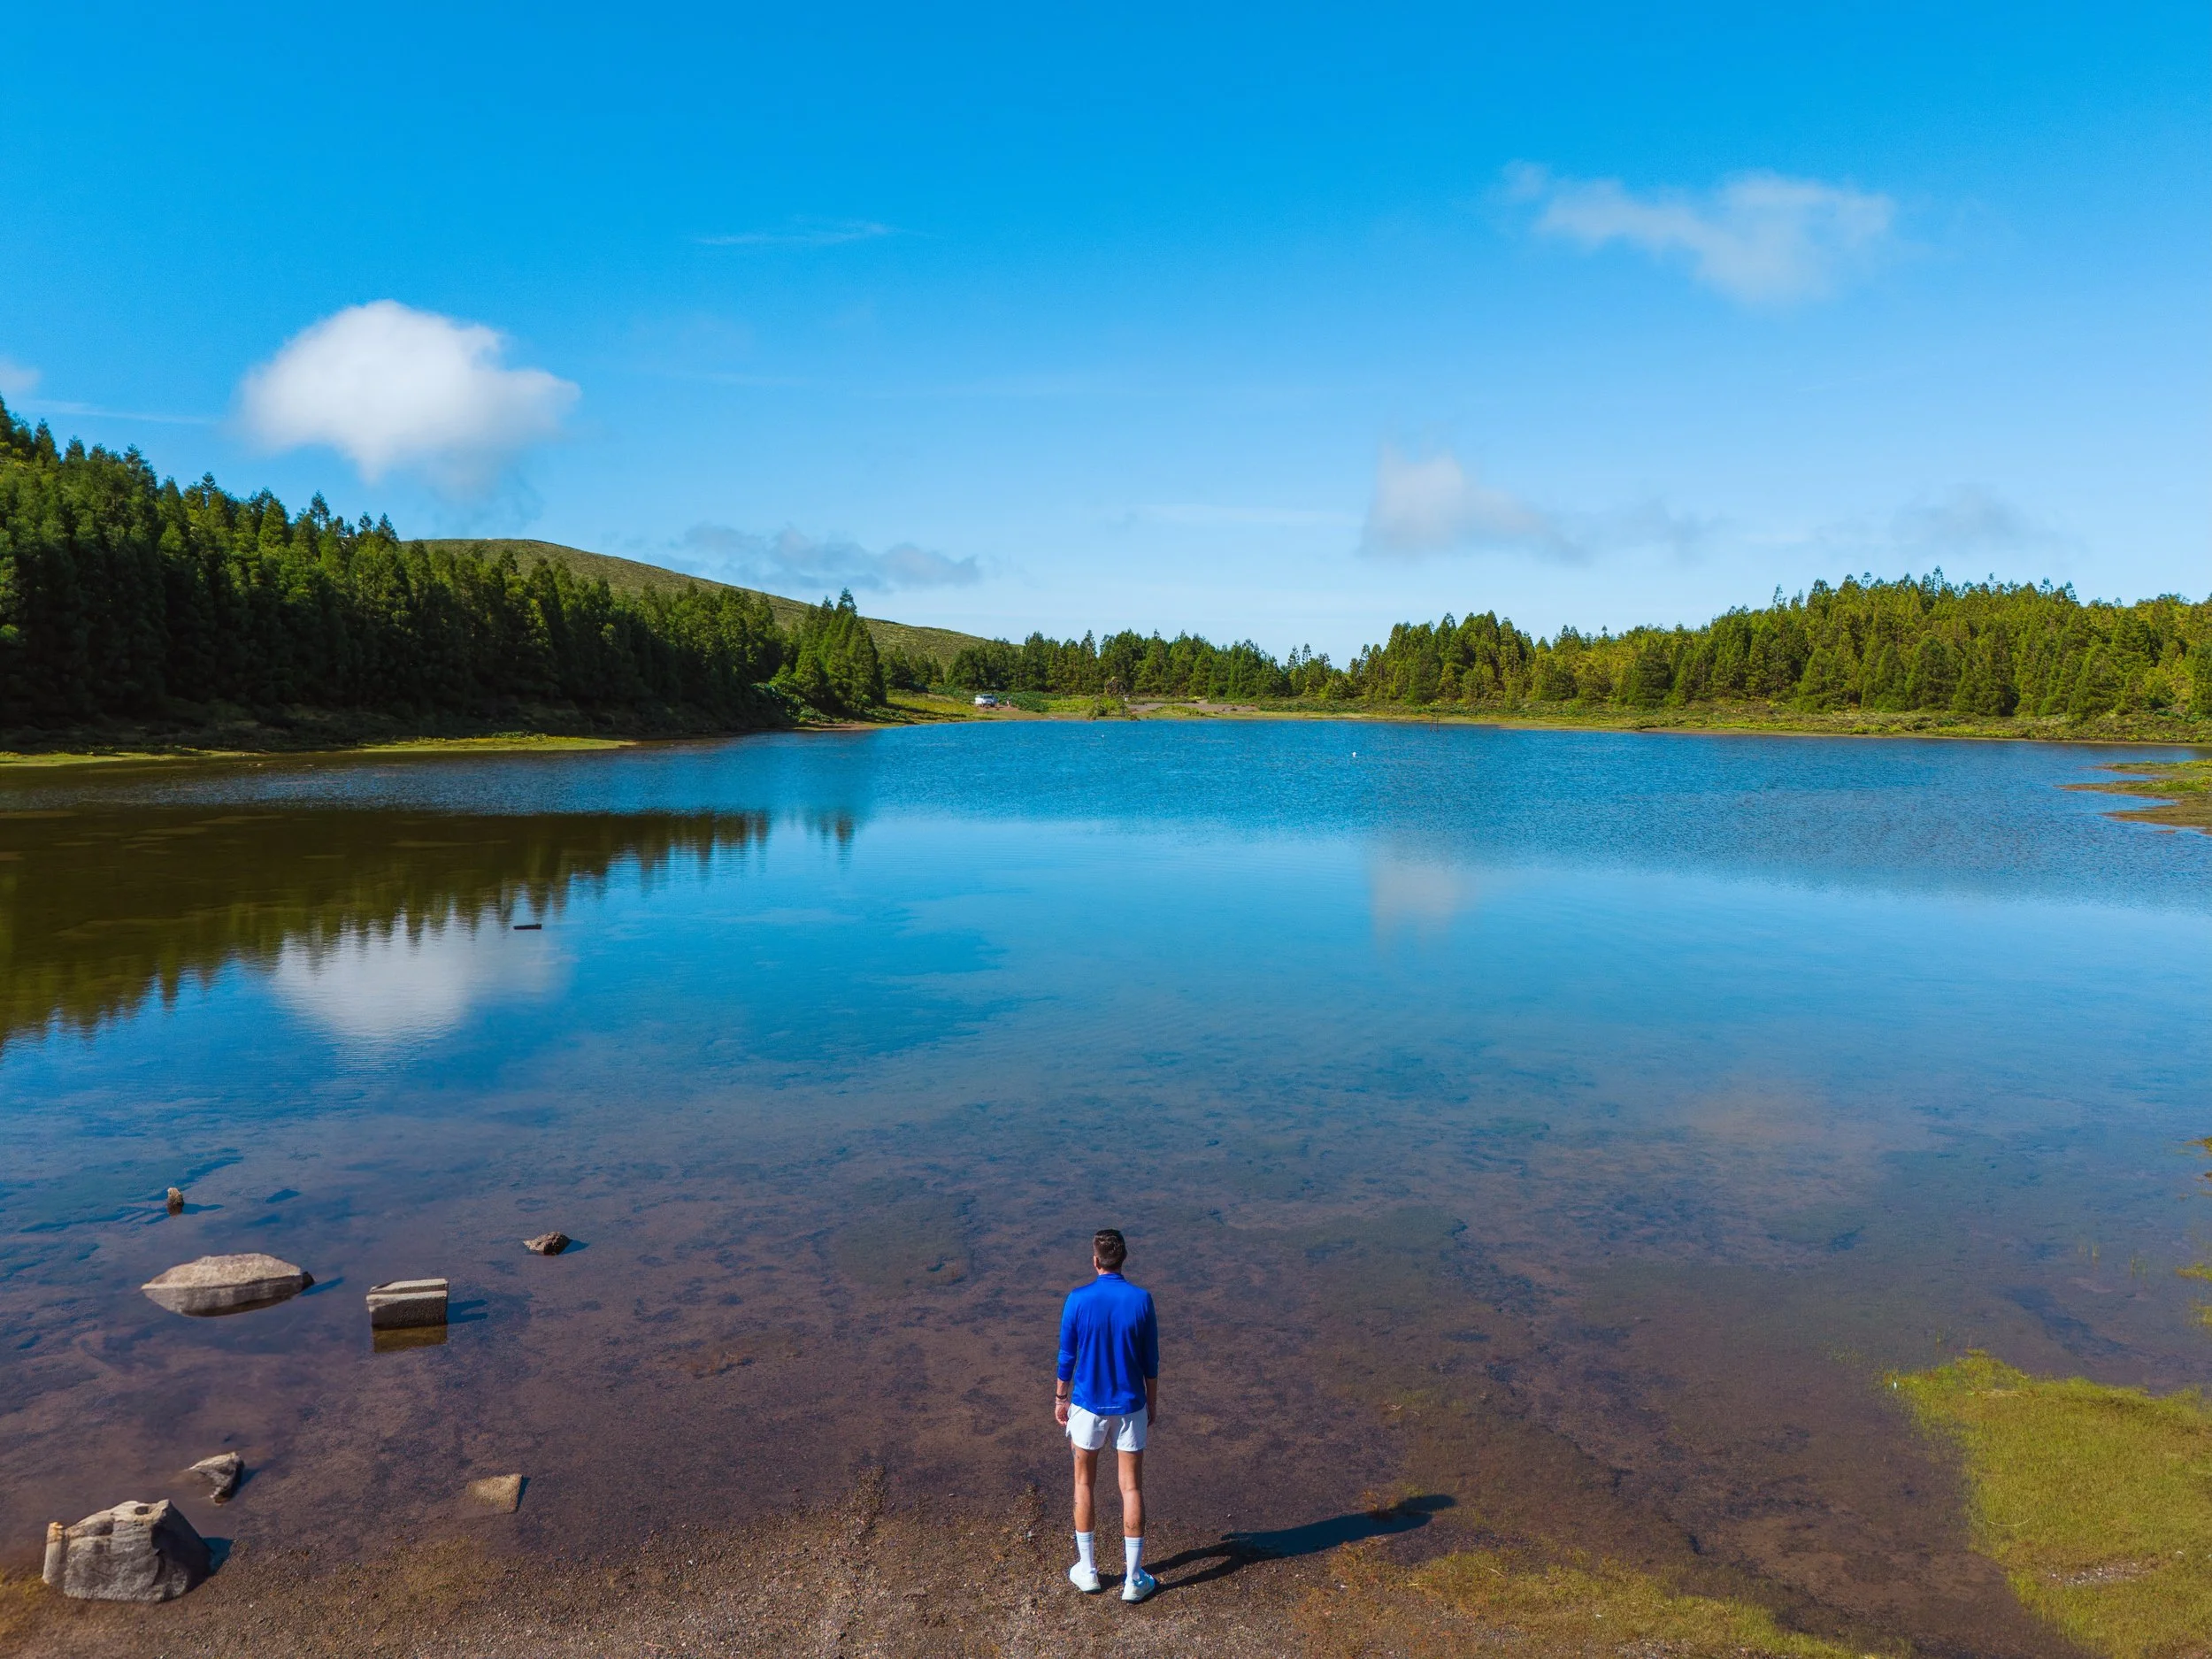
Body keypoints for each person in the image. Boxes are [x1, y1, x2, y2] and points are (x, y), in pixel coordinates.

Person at [1054, 1227, 1160, 1602]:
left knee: (1084, 1484)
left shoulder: (1077, 1300)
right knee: (1131, 1487)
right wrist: (1153, 1403)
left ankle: (1089, 1571)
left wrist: (1060, 1399)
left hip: (1087, 1406)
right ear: (1124, 1258)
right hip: (1131, 1405)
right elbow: (1151, 1361)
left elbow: (1067, 1358)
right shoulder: (1142, 1300)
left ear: (1095, 1261)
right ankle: (1134, 1580)